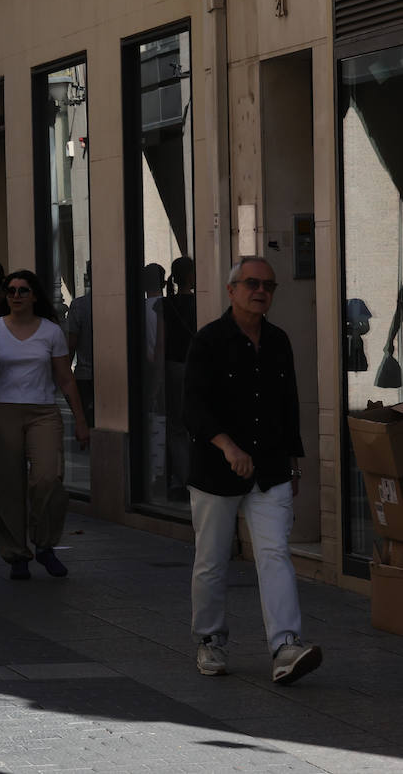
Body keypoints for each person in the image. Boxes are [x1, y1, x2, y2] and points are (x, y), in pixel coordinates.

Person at [184, 255, 321, 685]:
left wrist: (293, 463)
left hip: (271, 468)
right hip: (216, 471)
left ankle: (285, 646)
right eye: (251, 283)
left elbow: (288, 404)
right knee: (211, 561)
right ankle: (210, 639)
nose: (260, 291)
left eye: (268, 285)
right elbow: (194, 407)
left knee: (276, 555)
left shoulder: (278, 340)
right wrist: (227, 446)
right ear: (231, 290)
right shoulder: (207, 341)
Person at [0, 270, 90, 580]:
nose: (16, 295)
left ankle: (44, 545)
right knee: (6, 486)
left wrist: (81, 421)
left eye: (23, 290)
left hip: (43, 411)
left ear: (34, 296)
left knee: (48, 478)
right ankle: (16, 555)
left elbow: (65, 378)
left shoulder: (51, 331)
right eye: (11, 291)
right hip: (2, 410)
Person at [156, 256, 197, 499]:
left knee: (176, 425)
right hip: (198, 367)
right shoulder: (203, 301)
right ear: (192, 276)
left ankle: (183, 478)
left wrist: (157, 377)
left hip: (173, 367)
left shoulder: (165, 305)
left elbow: (161, 343)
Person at [64, 262, 95, 430]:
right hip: (110, 374)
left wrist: (65, 373)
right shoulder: (122, 302)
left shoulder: (80, 305)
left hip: (85, 375)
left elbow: (71, 343)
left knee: (89, 424)